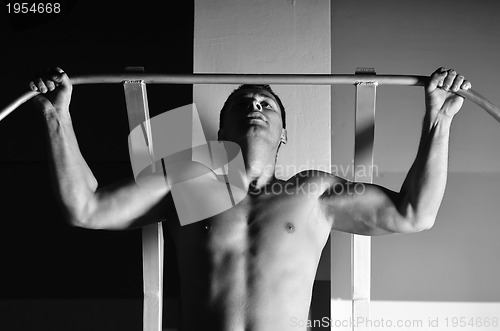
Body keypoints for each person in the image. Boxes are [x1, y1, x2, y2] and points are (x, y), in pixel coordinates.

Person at [29, 67, 471, 331]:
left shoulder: (313, 192)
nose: (256, 104)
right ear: (222, 132)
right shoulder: (188, 185)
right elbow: (84, 207)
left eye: (267, 103)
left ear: (284, 134)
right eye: (243, 102)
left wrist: (439, 118)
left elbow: (416, 212)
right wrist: (56, 117)